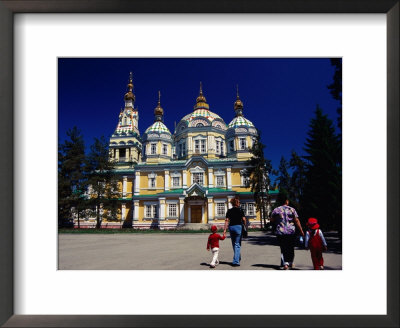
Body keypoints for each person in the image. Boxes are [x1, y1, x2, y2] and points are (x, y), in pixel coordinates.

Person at [270, 198, 304, 270]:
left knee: (283, 247)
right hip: (291, 231)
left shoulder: (276, 210)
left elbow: (272, 219)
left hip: (281, 231)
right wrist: (301, 230)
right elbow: (296, 220)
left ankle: (285, 263)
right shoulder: (292, 209)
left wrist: (278, 220)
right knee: (291, 247)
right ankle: (290, 262)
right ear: (287, 201)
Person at [223, 197, 246, 266]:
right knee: (237, 244)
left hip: (231, 227)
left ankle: (237, 257)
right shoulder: (240, 210)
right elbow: (244, 219)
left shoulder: (229, 210)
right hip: (238, 227)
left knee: (234, 244)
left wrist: (224, 230)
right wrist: (245, 226)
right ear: (236, 203)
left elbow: (227, 220)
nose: (239, 203)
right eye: (238, 202)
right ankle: (236, 261)